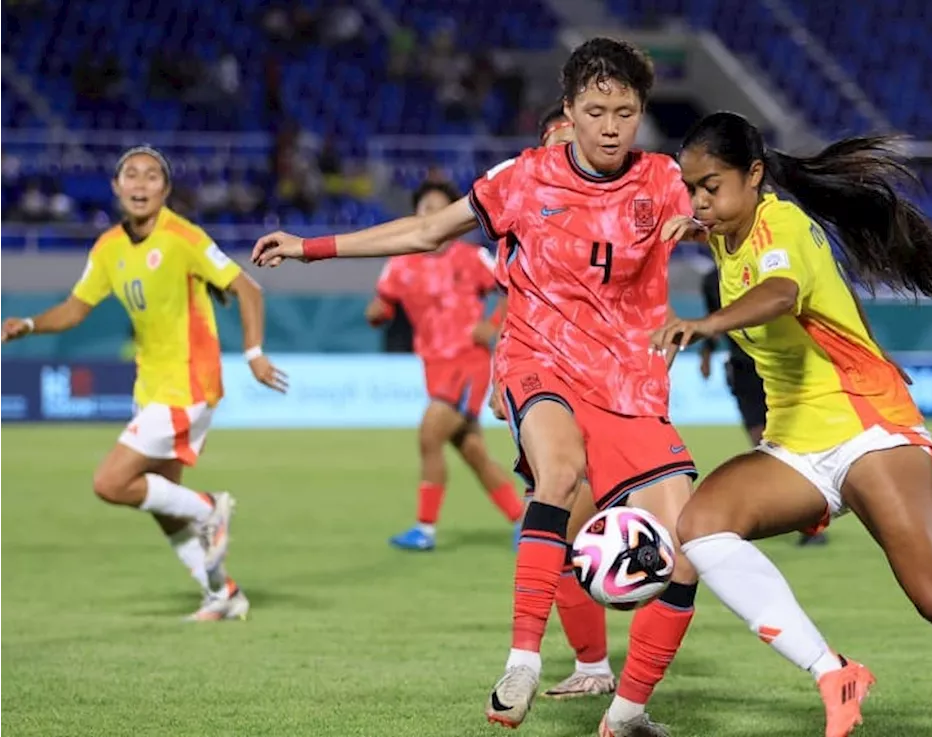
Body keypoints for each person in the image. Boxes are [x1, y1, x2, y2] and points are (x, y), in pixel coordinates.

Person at [252, 38, 699, 737]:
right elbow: (430, 230)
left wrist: (707, 223)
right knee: (559, 472)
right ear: (570, 112)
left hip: (629, 380)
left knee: (689, 545)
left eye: (625, 111)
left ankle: (628, 710)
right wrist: (311, 246)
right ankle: (523, 657)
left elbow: (733, 213)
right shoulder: (524, 179)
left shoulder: (664, 179)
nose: (611, 126)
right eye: (596, 110)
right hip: (539, 358)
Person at [653, 112, 932, 737]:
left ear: (754, 176)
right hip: (796, 447)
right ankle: (833, 672)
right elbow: (753, 256)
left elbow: (780, 291)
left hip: (868, 429)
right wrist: (698, 230)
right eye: (691, 187)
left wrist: (705, 325)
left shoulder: (783, 223)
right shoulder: (725, 232)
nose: (699, 200)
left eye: (711, 186)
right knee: (700, 526)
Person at [0, 146, 287, 621]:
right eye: (130, 175)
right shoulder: (109, 246)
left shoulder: (183, 236)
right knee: (160, 503)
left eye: (151, 176)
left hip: (189, 384)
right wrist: (28, 325)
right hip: (151, 388)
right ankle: (223, 594)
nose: (139, 184)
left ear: (165, 189)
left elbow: (247, 287)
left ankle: (210, 506)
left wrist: (254, 353)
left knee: (111, 483)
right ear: (115, 187)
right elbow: (75, 309)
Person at [493, 103, 618, 700]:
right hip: (544, 372)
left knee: (570, 522)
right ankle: (588, 666)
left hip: (611, 380)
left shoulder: (620, 204)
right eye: (560, 137)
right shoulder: (527, 203)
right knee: (560, 512)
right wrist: (502, 370)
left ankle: (598, 667)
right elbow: (516, 294)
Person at [366, 180, 525, 551]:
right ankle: (522, 519)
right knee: (473, 452)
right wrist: (377, 314)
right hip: (434, 367)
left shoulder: (471, 259)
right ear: (416, 216)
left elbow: (516, 289)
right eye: (426, 209)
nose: (433, 215)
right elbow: (384, 305)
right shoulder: (399, 266)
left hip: (467, 363)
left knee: (429, 434)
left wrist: (493, 324)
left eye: (441, 208)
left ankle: (425, 529)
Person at [699, 265, 828, 546]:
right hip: (743, 369)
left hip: (775, 366)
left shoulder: (762, 268)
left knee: (785, 446)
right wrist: (706, 355)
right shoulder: (710, 280)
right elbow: (713, 320)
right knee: (762, 444)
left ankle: (807, 516)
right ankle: (792, 514)